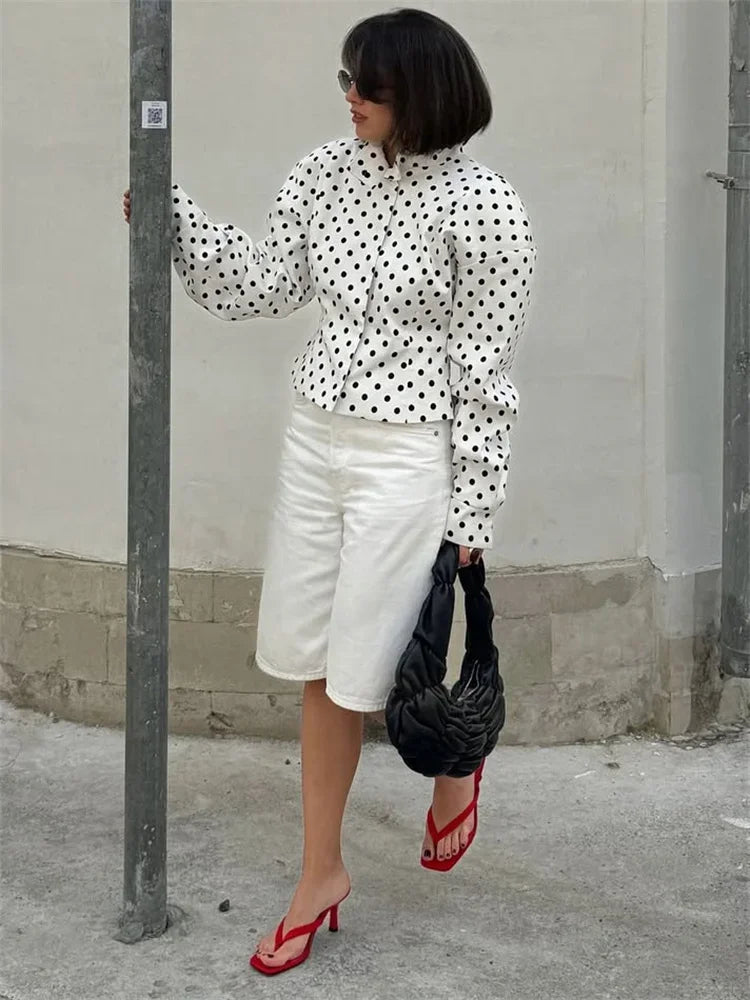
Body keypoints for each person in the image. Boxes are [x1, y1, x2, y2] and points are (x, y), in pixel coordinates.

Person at [123, 7, 536, 976]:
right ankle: (322, 873)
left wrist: (472, 512)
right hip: (316, 441)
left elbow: (488, 374)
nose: (348, 98)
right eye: (343, 79)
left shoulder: (487, 208)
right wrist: (170, 210)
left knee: (385, 664)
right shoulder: (323, 173)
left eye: (368, 86)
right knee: (318, 660)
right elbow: (268, 279)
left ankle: (455, 764)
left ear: (421, 96)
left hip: (407, 457)